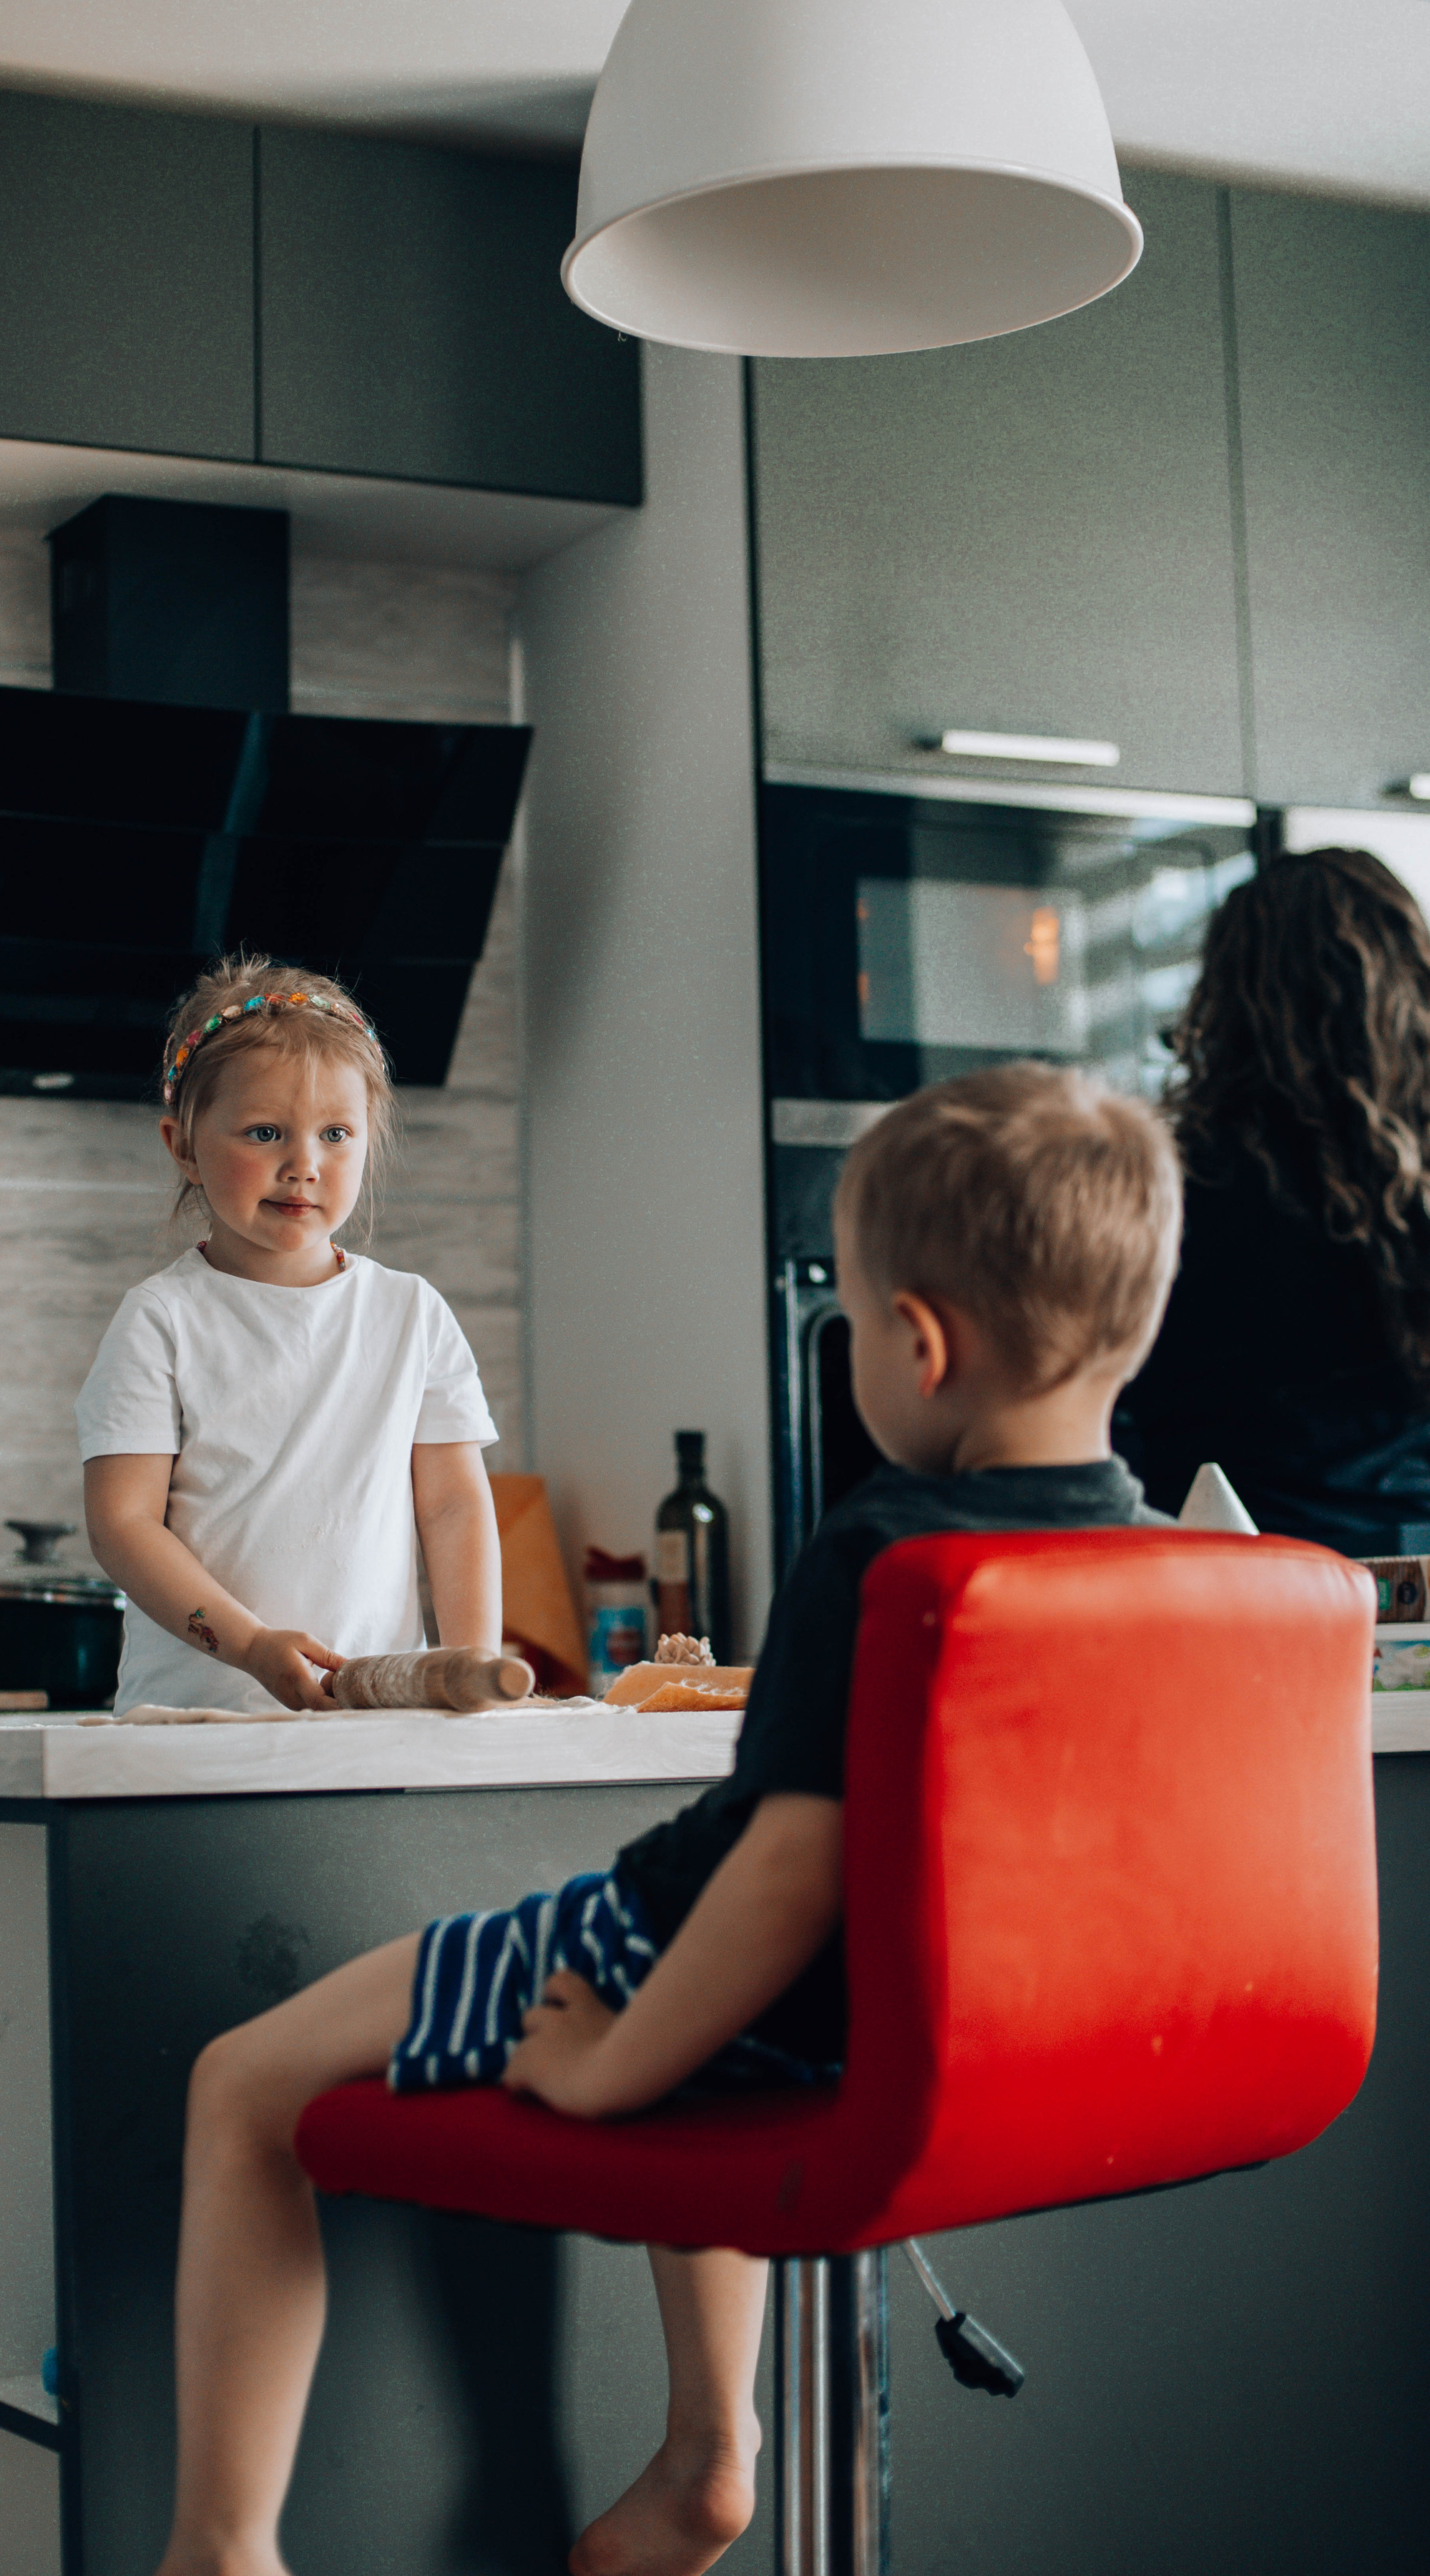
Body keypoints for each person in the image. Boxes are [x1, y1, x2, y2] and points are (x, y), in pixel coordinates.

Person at [154, 1062, 1180, 2576]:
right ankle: (704, 2447)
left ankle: (218, 2550)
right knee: (672, 1976)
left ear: (909, 1340)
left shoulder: (884, 1559)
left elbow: (775, 1879)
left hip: (707, 1976)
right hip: (936, 2027)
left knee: (242, 2085)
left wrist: (609, 2069)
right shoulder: (1150, 1558)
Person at [78, 955, 502, 1714]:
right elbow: (122, 1523)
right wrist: (247, 1645)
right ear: (182, 1145)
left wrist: (471, 1674)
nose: (303, 1165)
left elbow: (454, 1509)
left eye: (336, 1133)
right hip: (195, 1724)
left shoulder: (412, 1314)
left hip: (371, 1720)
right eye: (265, 1132)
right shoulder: (160, 1320)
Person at [1118, 848, 1430, 1550]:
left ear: (1223, 996)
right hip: (1414, 1575)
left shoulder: (1166, 1181)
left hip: (1228, 1578)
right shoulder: (1415, 1182)